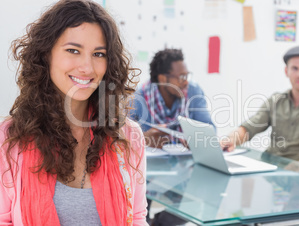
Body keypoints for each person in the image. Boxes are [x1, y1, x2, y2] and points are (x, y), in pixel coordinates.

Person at [0, 0, 147, 225]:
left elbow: (136, 219)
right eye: (73, 50)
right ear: (46, 54)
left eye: (99, 54)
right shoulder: (9, 138)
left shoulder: (128, 136)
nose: (87, 67)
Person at [221, 46, 299, 169]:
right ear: (286, 71)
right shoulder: (275, 101)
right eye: (295, 68)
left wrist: (296, 167)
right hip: (268, 171)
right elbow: (249, 128)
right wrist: (229, 140)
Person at [130, 48, 214, 148]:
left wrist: (198, 139)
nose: (186, 82)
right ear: (162, 79)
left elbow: (210, 131)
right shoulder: (137, 98)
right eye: (181, 77)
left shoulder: (193, 91)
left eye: (187, 76)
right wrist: (142, 140)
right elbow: (121, 139)